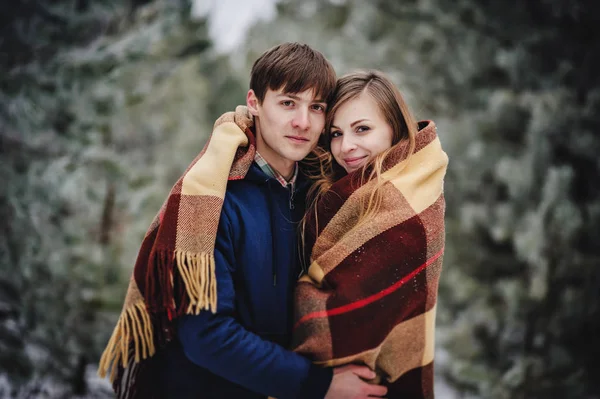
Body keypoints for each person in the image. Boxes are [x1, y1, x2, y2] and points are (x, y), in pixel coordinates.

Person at [97, 43, 387, 399]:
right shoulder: (213, 198)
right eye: (287, 103)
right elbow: (206, 335)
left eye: (316, 107)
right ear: (254, 103)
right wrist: (320, 385)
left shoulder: (320, 191)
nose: (303, 122)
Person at [294, 70, 449, 399]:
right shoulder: (340, 192)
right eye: (335, 133)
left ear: (394, 128)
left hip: (370, 384)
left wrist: (283, 295)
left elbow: (349, 312)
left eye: (362, 128)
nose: (346, 146)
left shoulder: (409, 204)